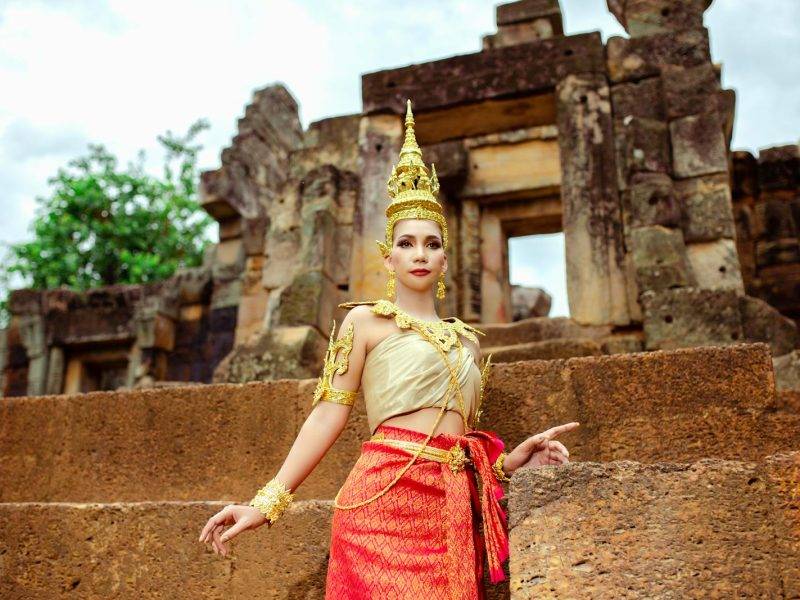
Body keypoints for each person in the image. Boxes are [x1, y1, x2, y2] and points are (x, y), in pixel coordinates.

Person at [198, 100, 579, 598]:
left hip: (450, 516)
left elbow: (455, 445)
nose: (419, 253)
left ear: (445, 257)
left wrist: (510, 463)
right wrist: (267, 501)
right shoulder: (365, 322)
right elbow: (326, 417)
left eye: (431, 243)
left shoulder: (465, 339)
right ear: (388, 255)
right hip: (380, 503)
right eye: (406, 243)